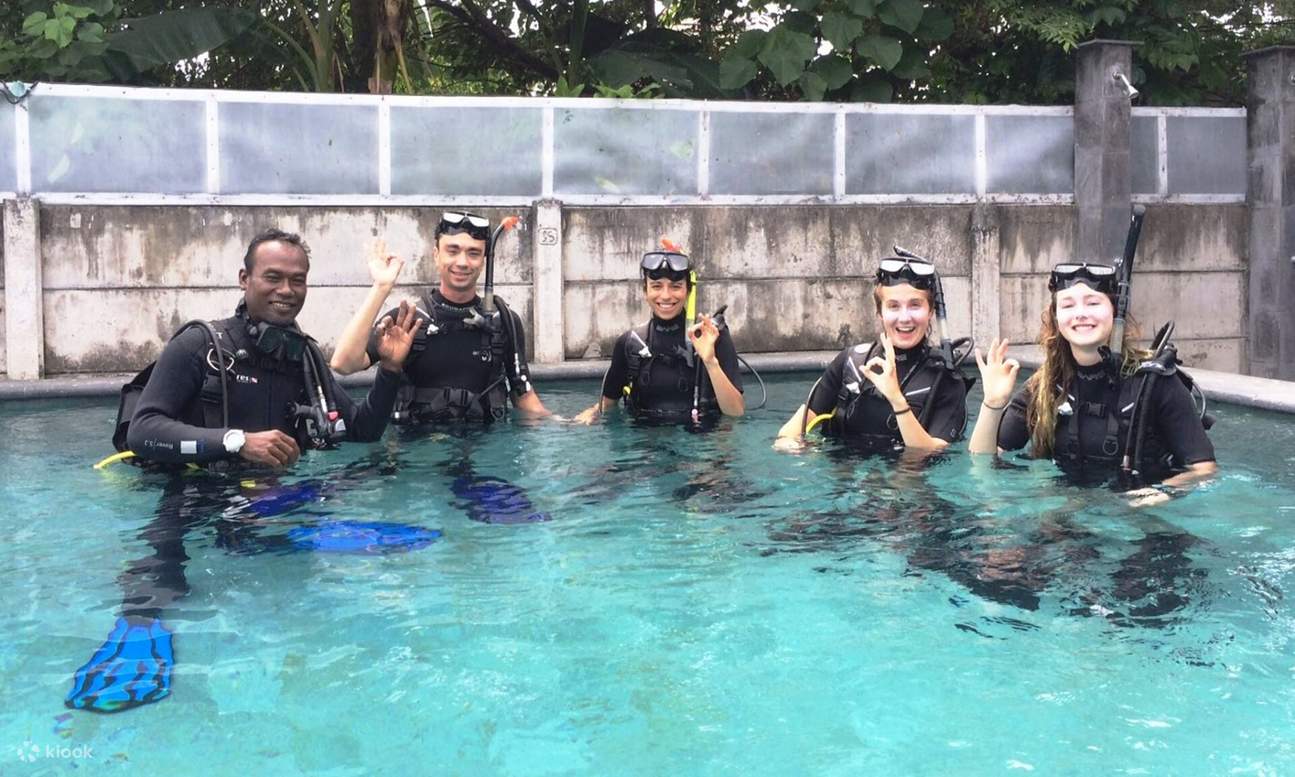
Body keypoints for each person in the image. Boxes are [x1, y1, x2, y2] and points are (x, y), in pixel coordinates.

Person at [123, 229, 418, 468]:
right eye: (273, 277)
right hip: (199, 503)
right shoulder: (200, 345)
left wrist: (390, 370)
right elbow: (142, 431)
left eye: (297, 280)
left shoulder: (304, 357)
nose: (287, 290)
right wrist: (236, 441)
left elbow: (362, 432)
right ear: (244, 279)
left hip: (279, 506)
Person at [968, 261, 1217, 501]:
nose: (1081, 314)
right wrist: (992, 404)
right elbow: (982, 464)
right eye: (1068, 305)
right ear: (1056, 318)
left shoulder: (1154, 382)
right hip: (1065, 519)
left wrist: (1158, 494)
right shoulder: (1044, 385)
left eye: (1093, 302)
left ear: (1115, 312)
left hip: (1139, 522)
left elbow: (1203, 469)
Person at [330, 212, 549, 424]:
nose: (462, 262)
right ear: (436, 255)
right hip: (416, 454)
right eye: (452, 250)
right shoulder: (407, 320)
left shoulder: (503, 322)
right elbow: (343, 364)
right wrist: (381, 287)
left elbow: (524, 397)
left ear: (483, 261)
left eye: (473, 253)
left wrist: (564, 424)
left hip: (484, 454)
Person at [775, 254, 969, 450]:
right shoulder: (851, 362)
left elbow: (932, 452)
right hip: (844, 478)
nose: (904, 318)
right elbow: (788, 433)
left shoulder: (946, 380)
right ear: (880, 313)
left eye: (915, 305)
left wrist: (896, 399)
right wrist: (793, 446)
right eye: (893, 306)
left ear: (930, 312)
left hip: (909, 478)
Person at [573, 247, 744, 424]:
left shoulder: (712, 337)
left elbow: (736, 411)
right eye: (656, 286)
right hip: (644, 446)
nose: (666, 295)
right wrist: (592, 412)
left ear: (688, 291)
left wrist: (710, 361)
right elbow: (608, 404)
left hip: (700, 446)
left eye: (676, 287)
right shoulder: (630, 343)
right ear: (645, 291)